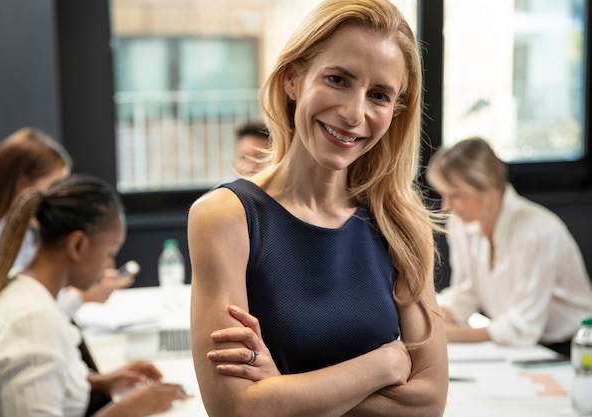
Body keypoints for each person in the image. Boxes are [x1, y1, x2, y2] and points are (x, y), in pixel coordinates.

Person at [187, 1, 449, 416]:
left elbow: (429, 402)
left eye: (379, 95)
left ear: (395, 111)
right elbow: (236, 410)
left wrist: (281, 391)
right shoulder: (225, 216)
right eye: (338, 79)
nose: (353, 113)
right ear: (293, 79)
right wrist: (385, 364)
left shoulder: (400, 221)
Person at [0, 174, 188, 416]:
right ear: (77, 245)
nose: (110, 264)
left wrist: (100, 381)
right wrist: (126, 410)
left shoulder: (26, 291)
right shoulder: (33, 320)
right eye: (109, 252)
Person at [426, 137, 592, 357]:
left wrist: (451, 334)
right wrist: (436, 316)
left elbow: (524, 326)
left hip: (569, 349)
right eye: (443, 195)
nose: (447, 207)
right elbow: (468, 291)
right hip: (519, 348)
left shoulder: (539, 230)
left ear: (488, 183)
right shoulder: (461, 224)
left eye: (456, 195)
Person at [0, 127, 133, 314]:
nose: (60, 198)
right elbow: (21, 323)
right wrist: (82, 297)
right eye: (55, 186)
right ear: (23, 184)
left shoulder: (28, 238)